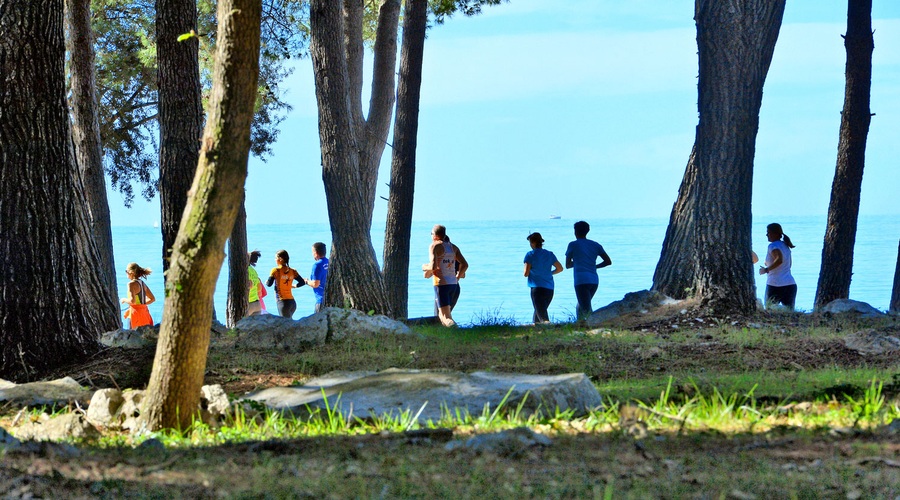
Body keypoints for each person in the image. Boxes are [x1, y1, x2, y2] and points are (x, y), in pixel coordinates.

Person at [565, 220, 612, 321]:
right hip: (594, 280)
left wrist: (578, 262)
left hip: (581, 280)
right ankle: (579, 324)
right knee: (581, 305)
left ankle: (597, 324)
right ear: (587, 231)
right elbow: (608, 261)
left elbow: (568, 265)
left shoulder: (572, 245)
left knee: (586, 309)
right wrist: (594, 266)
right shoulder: (595, 245)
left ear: (575, 231)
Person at [424, 225, 468, 327]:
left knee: (445, 317)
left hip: (441, 284)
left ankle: (456, 332)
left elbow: (433, 266)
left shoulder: (434, 246)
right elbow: (465, 265)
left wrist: (424, 266)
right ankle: (448, 335)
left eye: (431, 234)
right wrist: (457, 278)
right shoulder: (454, 248)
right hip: (453, 284)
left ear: (435, 236)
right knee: (442, 315)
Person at [524, 232, 563, 323]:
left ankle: (549, 329)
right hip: (549, 288)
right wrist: (549, 273)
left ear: (533, 242)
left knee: (542, 315)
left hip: (537, 288)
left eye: (530, 242)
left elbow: (525, 273)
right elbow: (560, 268)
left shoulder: (530, 255)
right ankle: (538, 332)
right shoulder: (549, 254)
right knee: (540, 311)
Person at [759, 222, 797, 310]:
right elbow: (788, 264)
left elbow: (779, 260)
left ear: (775, 234)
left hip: (775, 285)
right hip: (790, 284)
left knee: (769, 311)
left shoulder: (772, 245)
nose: (766, 235)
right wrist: (768, 264)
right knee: (789, 313)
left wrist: (766, 270)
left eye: (768, 232)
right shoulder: (785, 245)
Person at [266, 249, 305, 319]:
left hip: (283, 302)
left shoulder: (276, 271)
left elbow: (269, 284)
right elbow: (302, 282)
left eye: (276, 258)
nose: (275, 260)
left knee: (286, 325)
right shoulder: (293, 271)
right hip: (292, 303)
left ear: (280, 259)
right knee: (290, 322)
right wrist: (293, 286)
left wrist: (267, 281)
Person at [121, 262, 156, 328]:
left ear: (131, 272)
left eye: (126, 271)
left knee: (133, 335)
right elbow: (152, 299)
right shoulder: (142, 283)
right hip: (145, 313)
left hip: (135, 314)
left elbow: (132, 301)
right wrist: (141, 304)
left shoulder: (131, 284)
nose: (126, 273)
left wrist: (124, 299)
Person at [309, 242, 329, 313]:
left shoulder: (317, 265)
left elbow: (315, 284)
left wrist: (306, 282)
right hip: (330, 299)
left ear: (316, 253)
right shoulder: (328, 262)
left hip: (321, 301)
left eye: (312, 252)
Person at [246, 250, 264, 317]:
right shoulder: (253, 271)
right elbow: (259, 288)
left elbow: (249, 285)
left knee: (240, 326)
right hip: (257, 304)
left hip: (248, 304)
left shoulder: (244, 271)